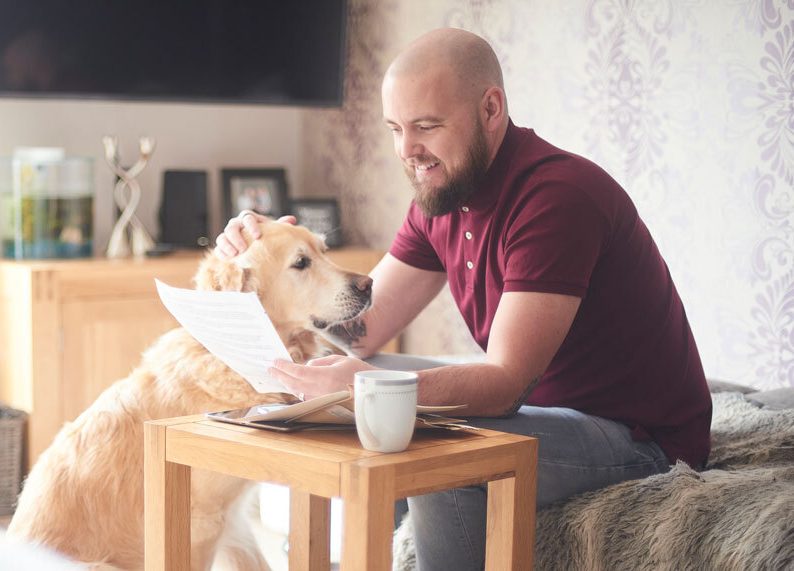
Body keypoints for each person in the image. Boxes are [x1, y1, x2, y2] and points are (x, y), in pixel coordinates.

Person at [214, 27, 711, 571]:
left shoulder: (556, 198)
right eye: (396, 129)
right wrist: (280, 263)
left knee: (426, 436)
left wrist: (362, 387)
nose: (408, 151)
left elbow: (502, 384)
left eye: (427, 126)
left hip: (640, 439)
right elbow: (363, 330)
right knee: (363, 371)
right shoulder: (442, 196)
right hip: (545, 409)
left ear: (491, 108)